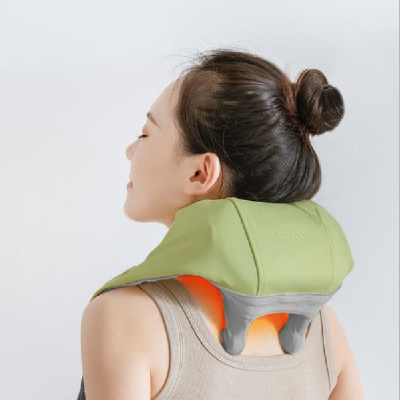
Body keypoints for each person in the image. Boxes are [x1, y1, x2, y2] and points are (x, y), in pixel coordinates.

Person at [79, 48, 365, 399]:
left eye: (145, 135)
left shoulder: (123, 317)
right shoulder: (323, 329)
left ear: (199, 173)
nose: (130, 151)